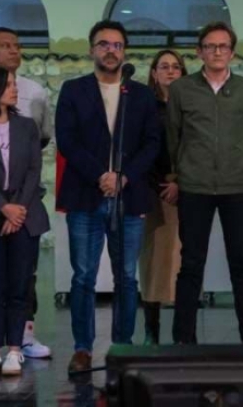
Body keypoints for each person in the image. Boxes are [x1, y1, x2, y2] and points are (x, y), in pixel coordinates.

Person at [56, 21, 161, 373]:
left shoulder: (140, 95)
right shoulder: (73, 90)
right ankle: (83, 348)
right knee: (83, 275)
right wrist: (101, 175)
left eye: (117, 45)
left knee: (127, 277)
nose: (111, 50)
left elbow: (152, 144)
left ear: (125, 51)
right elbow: (67, 139)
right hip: (85, 195)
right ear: (92, 50)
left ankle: (123, 346)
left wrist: (124, 177)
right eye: (103, 44)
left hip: (129, 198)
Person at [169, 22, 243, 345]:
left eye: (223, 46)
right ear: (199, 52)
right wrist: (179, 173)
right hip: (195, 187)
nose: (217, 51)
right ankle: (184, 339)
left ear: (232, 52)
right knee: (191, 263)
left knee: (242, 262)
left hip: (239, 188)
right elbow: (173, 136)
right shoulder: (181, 89)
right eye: (210, 46)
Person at [0, 27, 53, 359]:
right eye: (5, 46)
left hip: (24, 212)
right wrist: (2, 207)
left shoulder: (29, 113)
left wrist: (18, 208)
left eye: (17, 45)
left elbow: (34, 164)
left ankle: (19, 342)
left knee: (22, 282)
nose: (14, 51)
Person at [139, 50, 187, 345]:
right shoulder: (143, 106)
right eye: (164, 67)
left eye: (176, 67)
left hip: (188, 188)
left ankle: (183, 331)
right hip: (151, 190)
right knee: (153, 260)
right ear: (154, 73)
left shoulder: (192, 106)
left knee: (184, 260)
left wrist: (180, 181)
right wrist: (157, 185)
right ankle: (151, 329)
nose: (170, 72)